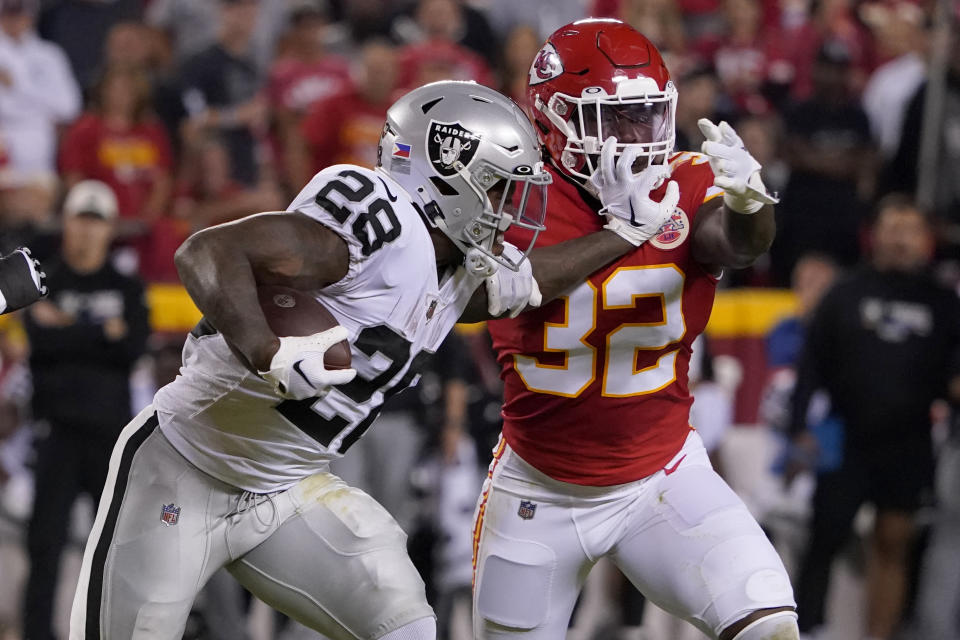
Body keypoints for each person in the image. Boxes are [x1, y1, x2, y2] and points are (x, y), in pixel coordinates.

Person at [68, 80, 638, 639]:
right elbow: (209, 250)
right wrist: (268, 349)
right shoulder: (381, 225)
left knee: (404, 627)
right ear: (448, 168)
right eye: (497, 189)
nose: (508, 211)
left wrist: (624, 232)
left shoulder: (459, 266)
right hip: (183, 469)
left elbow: (533, 281)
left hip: (285, 490)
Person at [474, 19, 799, 640]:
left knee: (769, 625)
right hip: (539, 491)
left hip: (664, 476)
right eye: (614, 118)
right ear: (551, 119)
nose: (636, 136)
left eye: (646, 115)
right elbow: (505, 288)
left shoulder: (686, 179)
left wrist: (749, 205)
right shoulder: (509, 195)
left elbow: (734, 245)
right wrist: (621, 234)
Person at [788, 195, 960, 640]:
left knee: (893, 544)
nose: (902, 239)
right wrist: (798, 425)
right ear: (875, 234)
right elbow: (811, 365)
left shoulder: (944, 303)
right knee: (825, 536)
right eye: (894, 227)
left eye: (912, 229)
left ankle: (878, 636)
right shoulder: (845, 292)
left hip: (910, 440)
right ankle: (809, 630)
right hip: (846, 434)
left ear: (926, 240)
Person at [22, 179, 150, 640]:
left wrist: (69, 329)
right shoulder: (44, 280)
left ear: (110, 229)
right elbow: (40, 344)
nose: (87, 230)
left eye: (97, 221)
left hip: (109, 440)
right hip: (54, 433)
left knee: (114, 550)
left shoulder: (127, 286)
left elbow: (132, 349)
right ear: (67, 223)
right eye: (81, 218)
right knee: (45, 545)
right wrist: (102, 333)